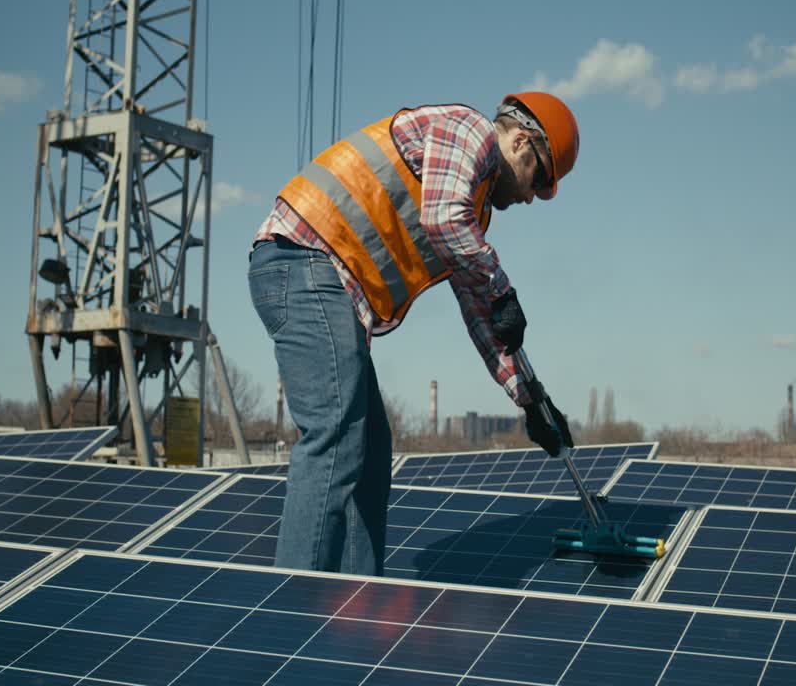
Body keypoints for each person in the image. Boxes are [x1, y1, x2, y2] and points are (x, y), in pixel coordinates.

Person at [247, 93, 579, 576]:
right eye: (538, 179)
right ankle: (292, 601)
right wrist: (502, 286)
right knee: (336, 432)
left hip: (328, 284)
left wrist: (530, 400)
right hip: (303, 259)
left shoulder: (473, 213)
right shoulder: (469, 133)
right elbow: (444, 221)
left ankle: (357, 595)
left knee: (370, 450)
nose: (531, 196)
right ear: (520, 141)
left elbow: (481, 312)